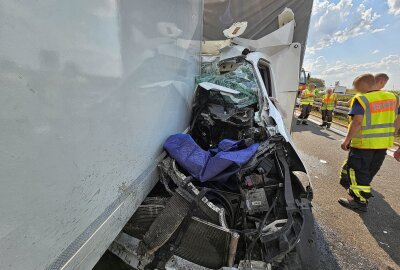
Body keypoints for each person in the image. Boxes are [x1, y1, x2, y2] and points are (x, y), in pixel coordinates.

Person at [338, 73, 400, 212]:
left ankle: (359, 201)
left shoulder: (363, 99)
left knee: (356, 170)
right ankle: (356, 188)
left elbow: (357, 122)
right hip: (383, 143)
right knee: (369, 169)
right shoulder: (394, 98)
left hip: (364, 143)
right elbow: (398, 120)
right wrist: (393, 135)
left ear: (364, 85)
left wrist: (347, 140)